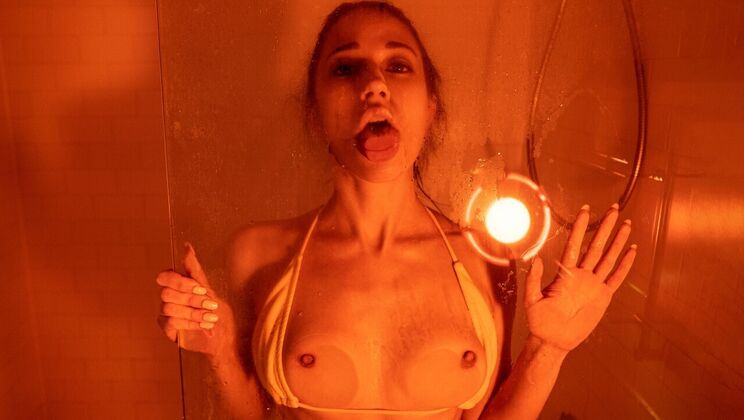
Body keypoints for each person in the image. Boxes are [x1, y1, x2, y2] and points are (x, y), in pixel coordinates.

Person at [156, 2, 637, 418]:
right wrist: (219, 352)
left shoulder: (483, 257)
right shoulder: (258, 254)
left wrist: (549, 349)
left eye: (399, 65)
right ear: (314, 111)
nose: (375, 84)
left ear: (430, 107)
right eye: (346, 67)